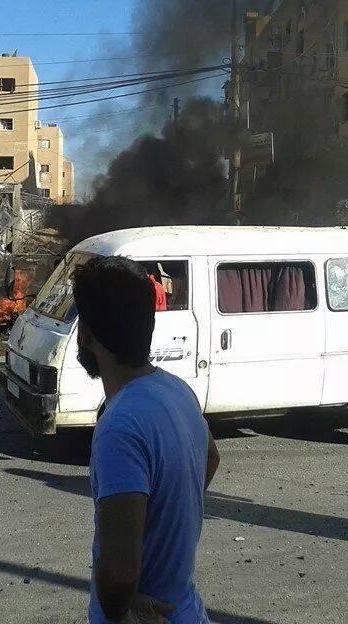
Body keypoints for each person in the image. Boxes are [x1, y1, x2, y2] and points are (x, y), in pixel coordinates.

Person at [72, 256, 220, 624]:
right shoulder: (176, 391)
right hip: (186, 609)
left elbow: (119, 574)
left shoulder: (120, 427)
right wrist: (169, 521)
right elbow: (211, 458)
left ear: (87, 335)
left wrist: (121, 609)